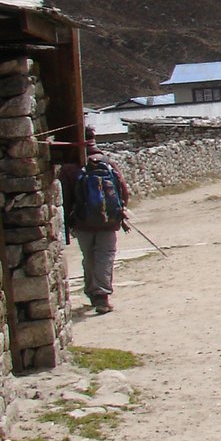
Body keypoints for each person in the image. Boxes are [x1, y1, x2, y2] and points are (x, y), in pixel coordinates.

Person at [60, 130, 131, 314]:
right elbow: (123, 190)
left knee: (89, 256)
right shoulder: (107, 163)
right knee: (105, 255)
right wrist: (120, 212)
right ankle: (102, 296)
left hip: (82, 222)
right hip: (108, 221)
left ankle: (93, 293)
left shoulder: (69, 168)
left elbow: (65, 199)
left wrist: (69, 222)